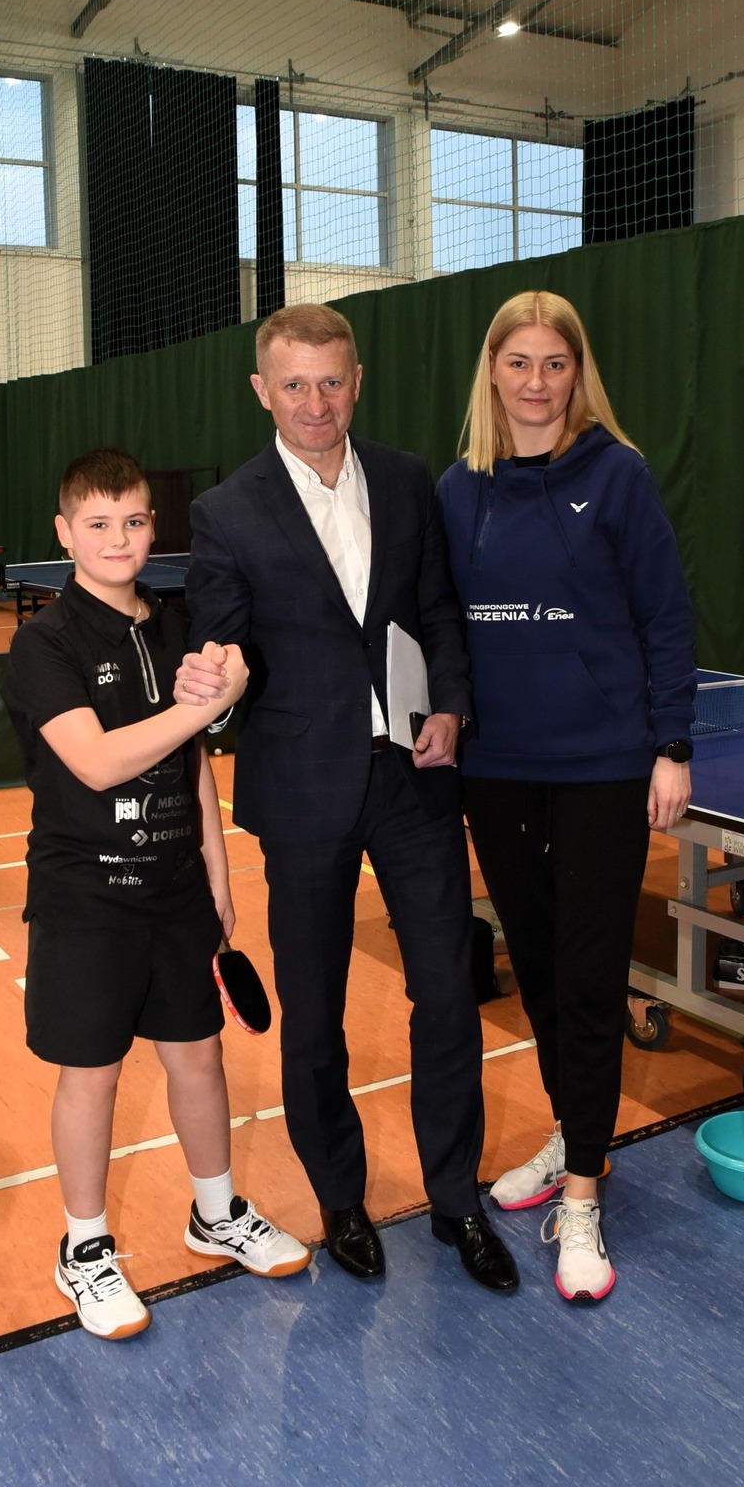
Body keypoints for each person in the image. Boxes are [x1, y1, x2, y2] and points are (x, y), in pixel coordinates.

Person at [175, 304, 518, 1295]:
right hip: (302, 788)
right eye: (295, 384)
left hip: (413, 778)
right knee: (315, 1012)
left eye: (331, 381)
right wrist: (214, 675)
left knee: (447, 993)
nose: (315, 402)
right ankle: (342, 1199)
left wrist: (449, 704)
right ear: (262, 390)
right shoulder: (227, 511)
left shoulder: (408, 481)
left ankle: (454, 1196)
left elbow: (439, 610)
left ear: (357, 381)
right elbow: (221, 635)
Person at [3, 448, 309, 1342]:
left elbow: (194, 766)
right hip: (85, 896)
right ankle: (85, 1249)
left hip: (177, 889)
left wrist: (216, 870)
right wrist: (211, 703)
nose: (118, 539)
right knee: (92, 1075)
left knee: (198, 1057)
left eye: (134, 521)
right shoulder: (44, 644)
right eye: (98, 524)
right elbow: (98, 763)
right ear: (64, 534)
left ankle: (216, 1214)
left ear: (153, 527)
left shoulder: (178, 630)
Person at [436, 291, 696, 1306]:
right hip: (497, 768)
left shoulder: (618, 475)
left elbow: (665, 616)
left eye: (554, 362)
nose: (536, 381)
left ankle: (582, 1195)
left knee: (587, 979)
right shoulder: (459, 489)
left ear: (577, 373)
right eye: (519, 362)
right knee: (539, 973)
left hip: (603, 766)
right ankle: (573, 1133)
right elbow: (440, 623)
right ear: (492, 372)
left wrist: (670, 746)